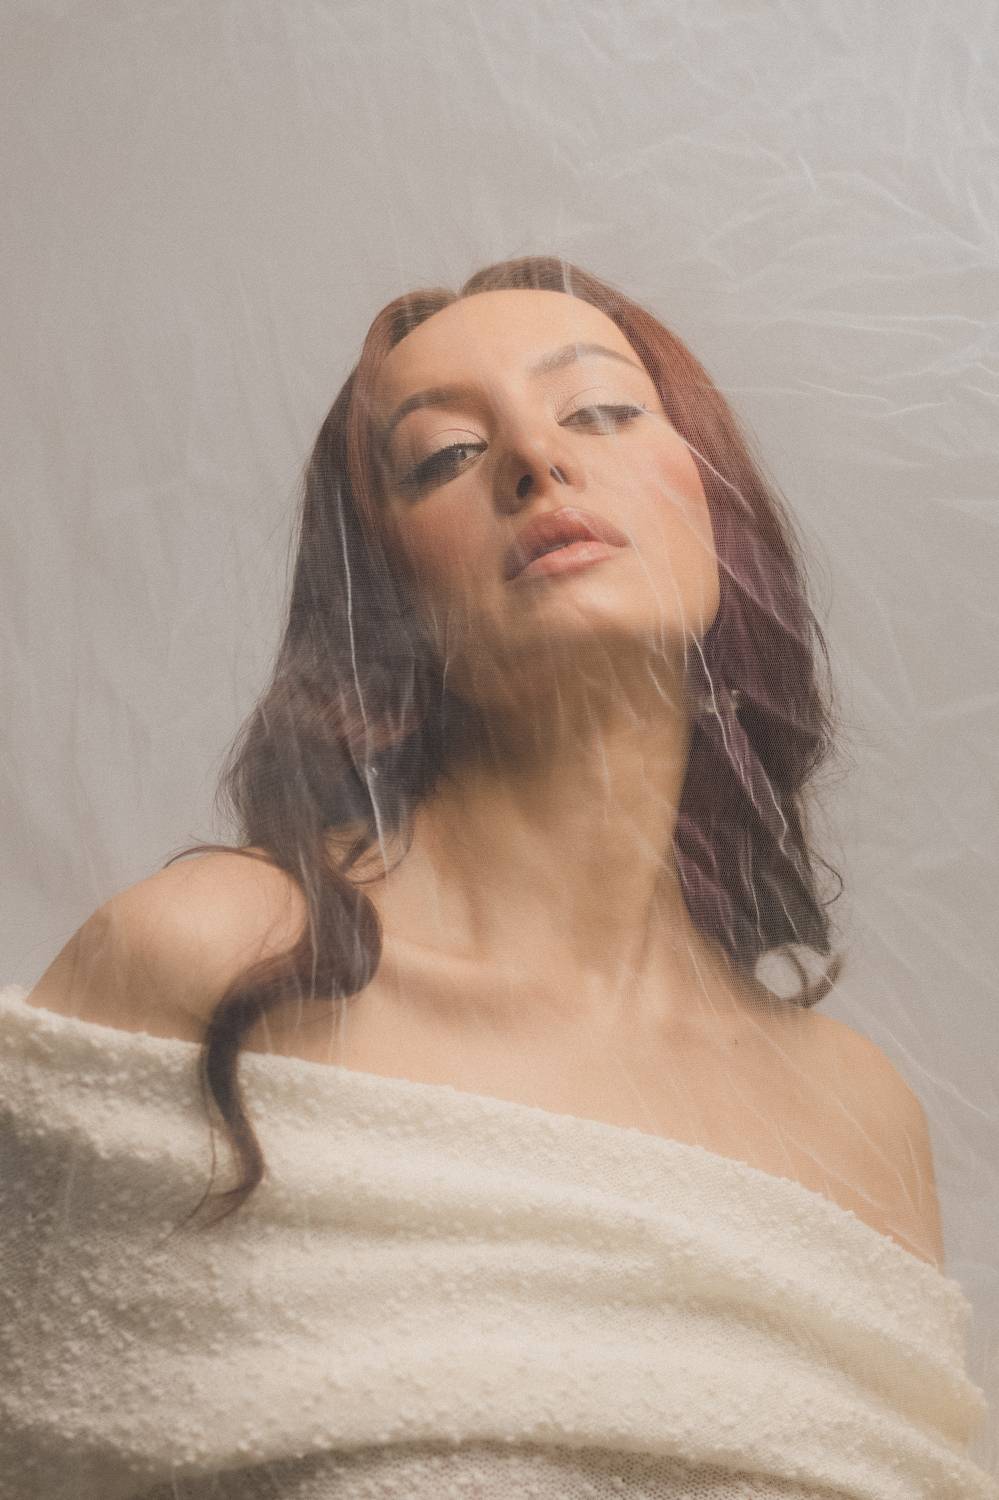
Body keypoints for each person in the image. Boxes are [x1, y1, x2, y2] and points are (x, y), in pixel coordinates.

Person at [2, 257, 994, 1498]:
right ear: (379, 593)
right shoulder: (211, 960)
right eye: (446, 456)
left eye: (603, 411)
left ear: (716, 508)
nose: (535, 457)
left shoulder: (859, 1112)